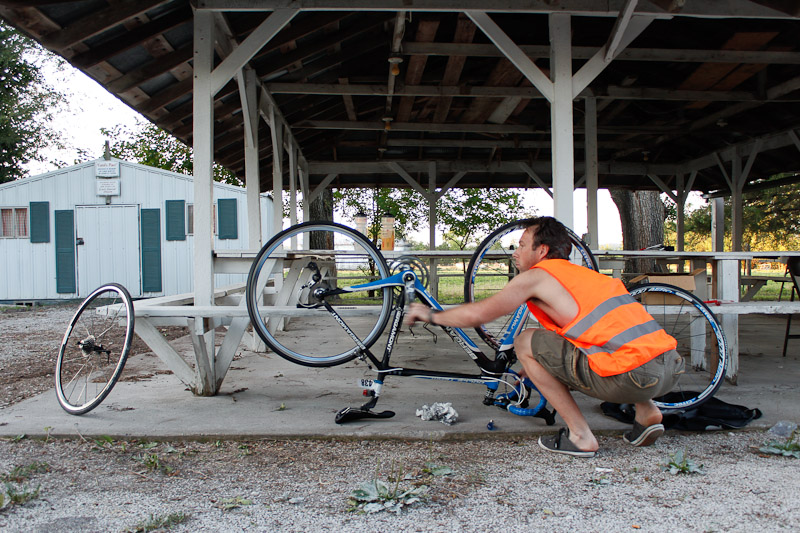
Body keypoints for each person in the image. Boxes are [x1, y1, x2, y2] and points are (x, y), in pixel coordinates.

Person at [404, 216, 684, 458]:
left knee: (525, 341)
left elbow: (478, 314)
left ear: (542, 250)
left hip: (633, 377)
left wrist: (429, 314)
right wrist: (538, 367)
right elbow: (593, 335)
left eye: (522, 245)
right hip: (670, 368)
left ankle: (580, 436)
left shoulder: (537, 277)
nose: (515, 252)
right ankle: (647, 413)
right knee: (616, 347)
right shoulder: (587, 278)